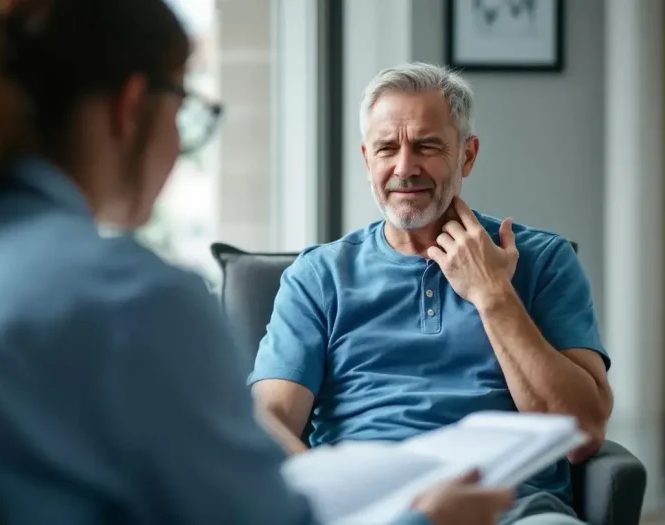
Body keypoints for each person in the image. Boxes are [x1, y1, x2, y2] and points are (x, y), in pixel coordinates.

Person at [0, 3, 514, 525]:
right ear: (133, 107)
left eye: (427, 145)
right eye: (187, 105)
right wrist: (425, 518)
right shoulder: (130, 299)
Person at [250, 62, 614, 525]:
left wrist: (492, 293)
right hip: (370, 511)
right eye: (386, 148)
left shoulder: (544, 261)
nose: (405, 168)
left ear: (466, 155)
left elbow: (583, 432)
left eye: (426, 146)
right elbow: (269, 418)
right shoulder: (319, 275)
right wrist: (323, 501)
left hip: (512, 511)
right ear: (367, 159)